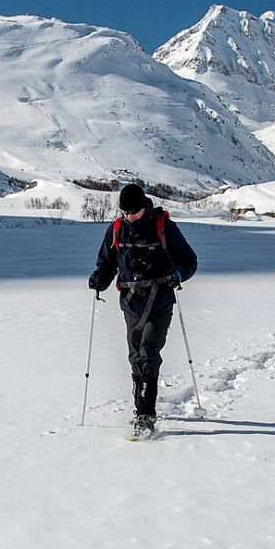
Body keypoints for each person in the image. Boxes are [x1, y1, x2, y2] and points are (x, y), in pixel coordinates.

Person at [88, 183, 199, 438]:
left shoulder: (164, 228)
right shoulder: (116, 230)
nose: (130, 217)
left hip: (159, 301)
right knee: (135, 356)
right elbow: (106, 264)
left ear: (144, 207)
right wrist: (99, 279)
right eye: (125, 212)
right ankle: (140, 404)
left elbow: (190, 261)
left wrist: (178, 275)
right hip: (130, 303)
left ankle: (145, 414)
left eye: (134, 212)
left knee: (148, 354)